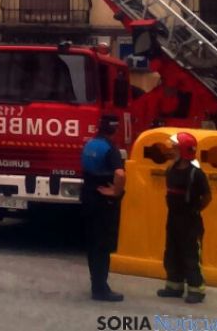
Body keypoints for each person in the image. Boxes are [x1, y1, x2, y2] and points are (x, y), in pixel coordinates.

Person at [157, 132, 211, 305]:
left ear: (184, 150)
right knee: (172, 252)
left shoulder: (196, 174)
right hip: (173, 219)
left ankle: (197, 289)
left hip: (190, 221)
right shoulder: (170, 169)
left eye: (175, 147)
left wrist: (194, 210)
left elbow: (207, 197)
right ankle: (174, 286)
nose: (171, 150)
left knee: (191, 255)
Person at [81, 113, 126, 301]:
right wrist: (116, 192)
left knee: (92, 245)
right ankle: (101, 288)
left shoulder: (89, 144)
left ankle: (95, 284)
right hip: (102, 202)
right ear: (114, 129)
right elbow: (120, 174)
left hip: (87, 197)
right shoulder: (110, 149)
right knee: (103, 245)